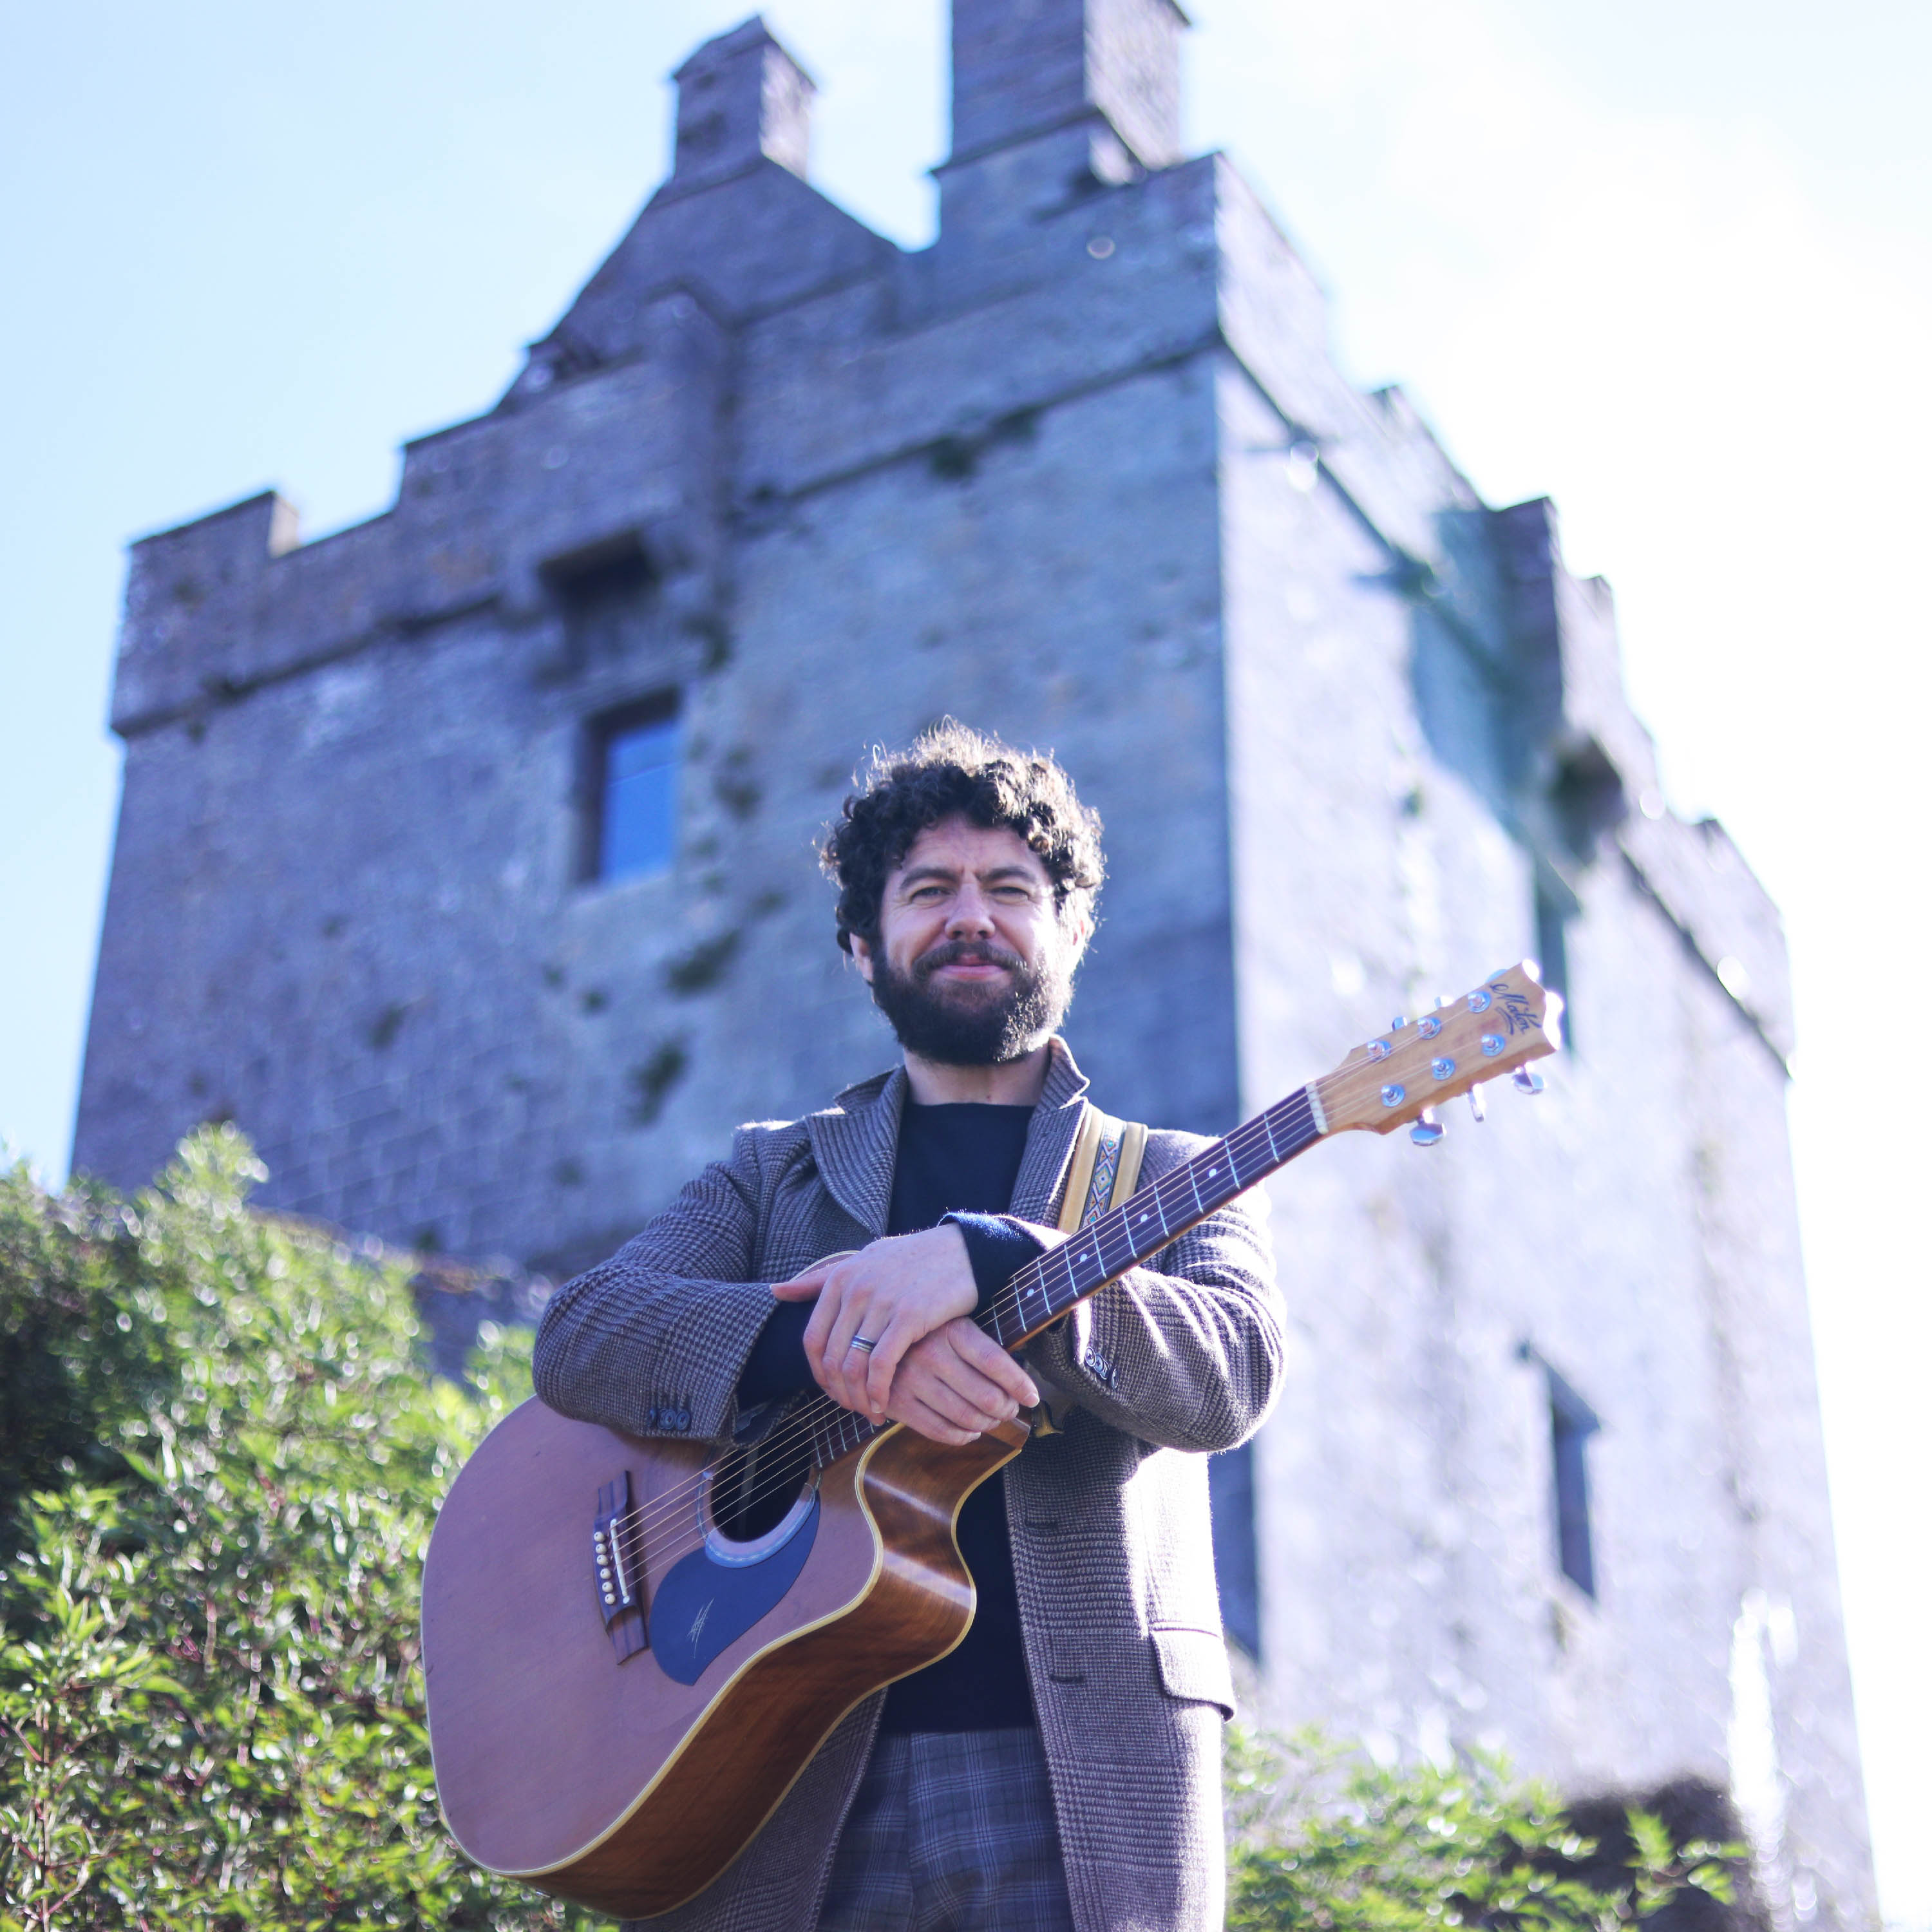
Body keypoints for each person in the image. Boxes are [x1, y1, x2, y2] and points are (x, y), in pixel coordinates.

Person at [533, 723, 1284, 1932]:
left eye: (1011, 889)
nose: (970, 916)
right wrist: (838, 1341)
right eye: (929, 889)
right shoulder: (770, 1179)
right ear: (861, 946)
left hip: (1074, 1775)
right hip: (788, 1765)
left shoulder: (1169, 1177)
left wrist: (998, 1259)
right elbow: (585, 1334)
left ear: (1072, 930)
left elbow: (1233, 1373)